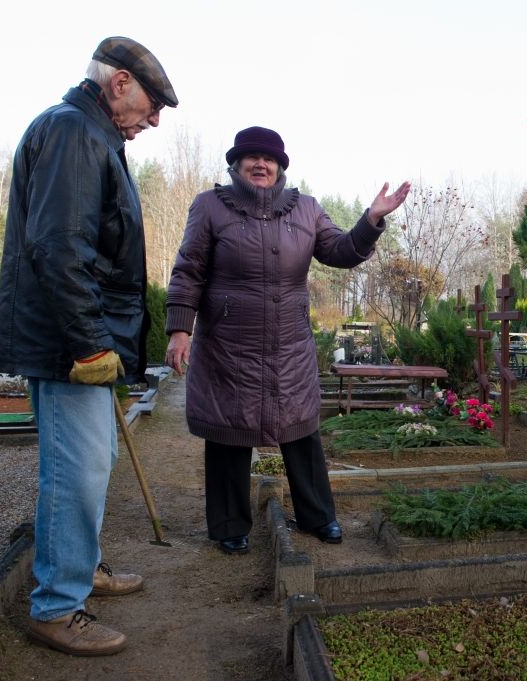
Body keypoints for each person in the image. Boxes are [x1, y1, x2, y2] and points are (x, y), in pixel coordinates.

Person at [0, 37, 177, 656]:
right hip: (66, 343)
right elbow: (60, 247)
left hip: (82, 338)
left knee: (92, 463)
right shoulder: (74, 131)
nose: (154, 121)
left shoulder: (95, 135)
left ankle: (81, 565)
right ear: (119, 83)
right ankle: (55, 606)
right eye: (152, 106)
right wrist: (92, 344)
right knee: (76, 468)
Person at [164, 126, 410, 554]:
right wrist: (180, 330)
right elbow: (189, 270)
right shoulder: (210, 207)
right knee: (228, 430)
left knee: (300, 429)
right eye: (251, 158)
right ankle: (229, 526)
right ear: (237, 165)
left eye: (269, 158)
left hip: (288, 344)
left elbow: (341, 252)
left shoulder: (307, 209)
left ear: (280, 166)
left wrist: (371, 221)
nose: (261, 164)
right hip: (228, 344)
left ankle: (319, 518)